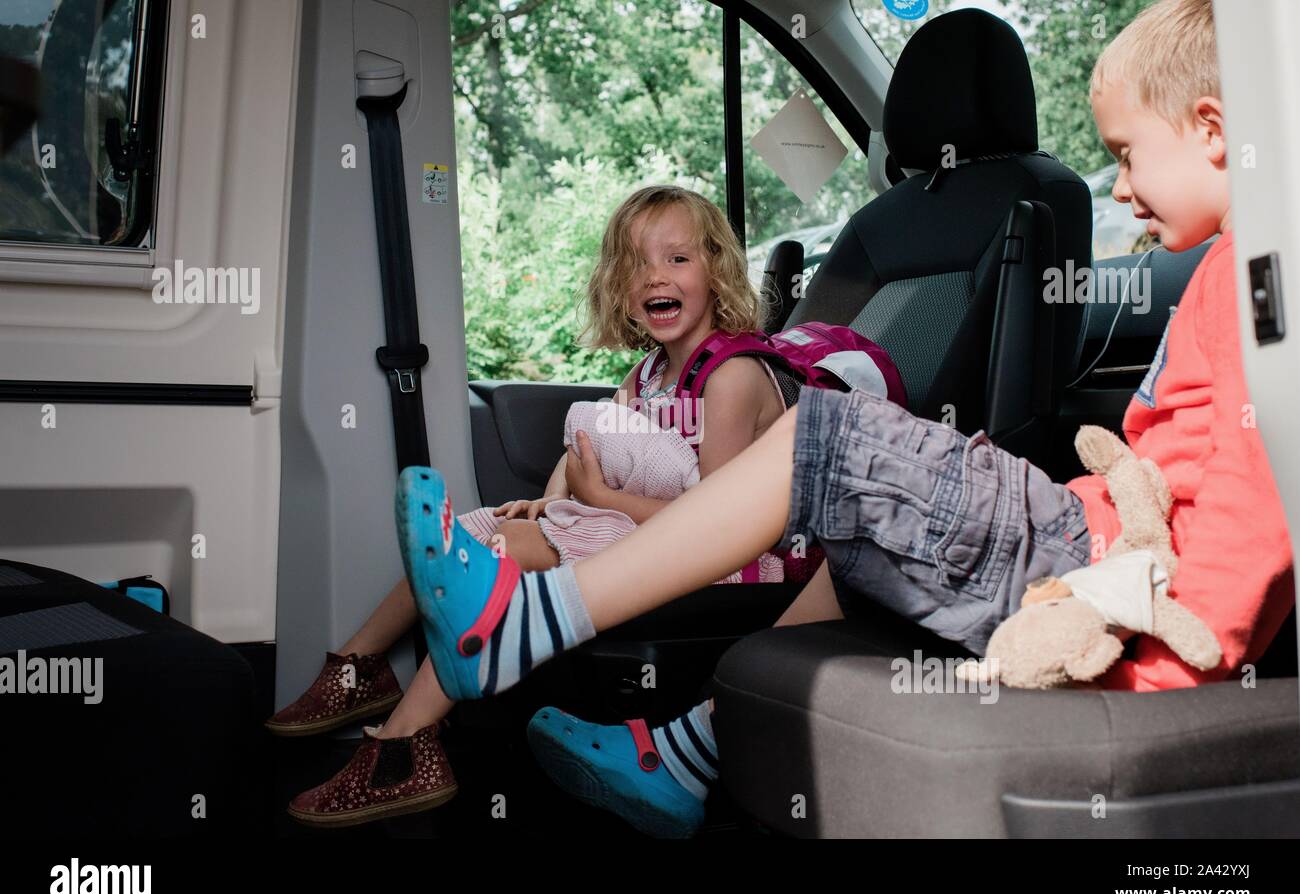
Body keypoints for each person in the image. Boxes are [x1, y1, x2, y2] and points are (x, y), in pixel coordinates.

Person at [396, 0, 1295, 837]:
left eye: (1128, 152)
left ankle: (533, 623)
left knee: (829, 436)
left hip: (1100, 565)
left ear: (1213, 132)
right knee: (851, 502)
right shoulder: (1231, 265)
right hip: (1091, 535)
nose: (1123, 186)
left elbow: (1255, 506)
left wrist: (1173, 665)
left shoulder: (1262, 270)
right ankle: (687, 748)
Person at [274, 184, 800, 826]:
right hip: (646, 528)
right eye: (636, 264)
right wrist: (546, 503)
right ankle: (360, 668)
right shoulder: (649, 376)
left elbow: (723, 522)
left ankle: (402, 747)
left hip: (728, 561)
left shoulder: (732, 378)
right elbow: (589, 447)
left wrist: (597, 499)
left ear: (716, 271)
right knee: (478, 529)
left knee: (484, 557)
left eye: (678, 259)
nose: (655, 276)